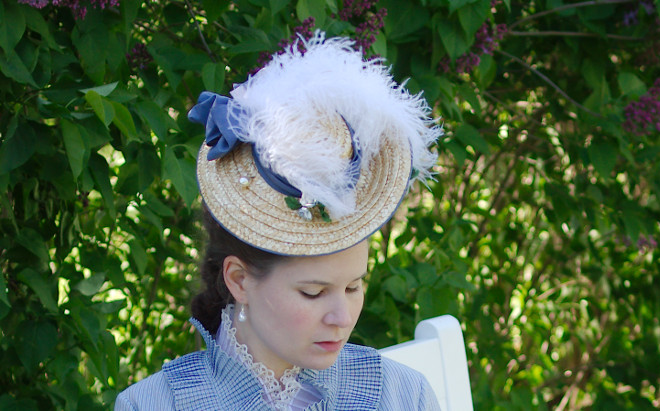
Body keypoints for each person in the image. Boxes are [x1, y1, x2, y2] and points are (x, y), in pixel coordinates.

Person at [115, 31, 442, 410]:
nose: (342, 318)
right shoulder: (155, 405)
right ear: (239, 280)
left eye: (354, 287)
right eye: (314, 293)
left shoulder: (403, 395)